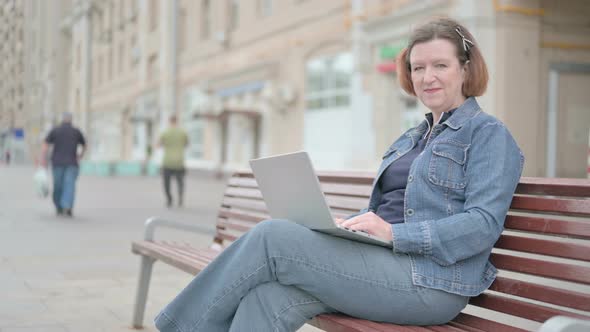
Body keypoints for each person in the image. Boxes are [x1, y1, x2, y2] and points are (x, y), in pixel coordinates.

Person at [154, 18, 524, 331]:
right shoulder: (409, 139)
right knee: (267, 297)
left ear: (465, 68)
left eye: (440, 65)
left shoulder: (488, 134)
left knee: (272, 237)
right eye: (417, 67)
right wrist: (349, 228)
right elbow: (387, 210)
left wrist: (395, 234)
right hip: (384, 264)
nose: (427, 77)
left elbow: (482, 225)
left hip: (432, 283)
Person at [41, 112, 86, 217]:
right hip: (72, 163)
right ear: (71, 120)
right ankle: (67, 206)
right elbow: (84, 144)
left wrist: (43, 160)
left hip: (57, 163)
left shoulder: (55, 130)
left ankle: (59, 207)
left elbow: (45, 145)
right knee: (69, 185)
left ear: (62, 119)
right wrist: (80, 156)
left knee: (58, 186)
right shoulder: (76, 131)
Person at [158, 115, 189, 208]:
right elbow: (187, 144)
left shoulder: (165, 132)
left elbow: (158, 144)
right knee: (180, 182)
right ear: (177, 121)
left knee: (166, 183)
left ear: (169, 121)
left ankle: (169, 199)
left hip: (167, 162)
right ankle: (180, 197)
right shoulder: (183, 132)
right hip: (179, 161)